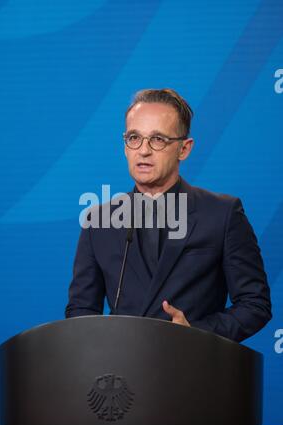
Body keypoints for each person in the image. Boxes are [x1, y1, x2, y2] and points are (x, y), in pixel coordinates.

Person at [65, 88, 272, 342]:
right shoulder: (98, 221)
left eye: (158, 139)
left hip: (193, 371)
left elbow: (255, 304)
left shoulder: (223, 214)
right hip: (123, 373)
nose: (143, 150)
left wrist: (197, 333)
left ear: (184, 149)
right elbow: (81, 312)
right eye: (134, 138)